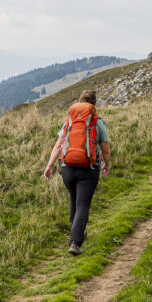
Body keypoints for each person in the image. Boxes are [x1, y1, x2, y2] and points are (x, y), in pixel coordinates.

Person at [43, 90, 111, 255]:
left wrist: (49, 165)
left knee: (74, 200)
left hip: (67, 168)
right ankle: (75, 242)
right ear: (94, 105)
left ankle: (78, 232)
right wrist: (106, 165)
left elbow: (59, 145)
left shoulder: (70, 122)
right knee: (83, 205)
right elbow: (105, 149)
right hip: (88, 169)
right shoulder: (97, 122)